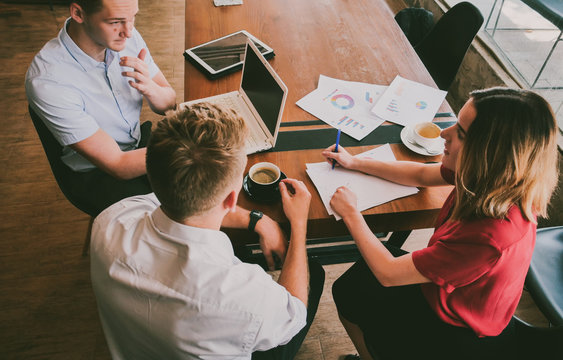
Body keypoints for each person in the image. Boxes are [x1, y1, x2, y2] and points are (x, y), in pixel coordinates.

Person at [321, 88, 559, 360]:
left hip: (457, 331)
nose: (444, 133)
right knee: (355, 283)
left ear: (487, 153)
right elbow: (422, 173)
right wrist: (355, 162)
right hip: (456, 294)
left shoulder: (491, 234)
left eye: (461, 132)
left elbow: (387, 274)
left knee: (350, 291)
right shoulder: (490, 176)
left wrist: (351, 213)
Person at [90, 102, 325, 359]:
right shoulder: (242, 301)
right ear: (231, 199)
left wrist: (258, 220)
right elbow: (294, 315)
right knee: (314, 271)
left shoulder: (111, 220)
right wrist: (299, 224)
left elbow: (175, 202)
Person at [25, 0, 175, 215]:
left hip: (136, 146)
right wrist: (186, 149)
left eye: (133, 18)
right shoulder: (48, 81)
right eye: (115, 22)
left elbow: (168, 103)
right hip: (98, 173)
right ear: (78, 13)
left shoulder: (124, 36)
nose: (129, 32)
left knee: (207, 189)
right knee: (171, 221)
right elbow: (118, 165)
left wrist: (151, 88)